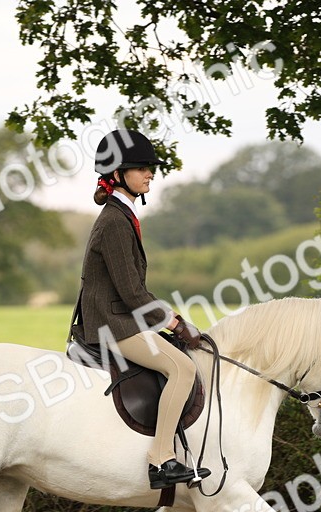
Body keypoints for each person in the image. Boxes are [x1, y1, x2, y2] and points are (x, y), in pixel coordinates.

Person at [73, 129, 209, 490]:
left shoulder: (123, 215)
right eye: (142, 168)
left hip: (119, 318)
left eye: (151, 168)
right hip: (111, 325)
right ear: (118, 174)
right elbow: (132, 292)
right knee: (182, 368)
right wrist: (176, 323)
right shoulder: (115, 221)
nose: (151, 173)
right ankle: (161, 460)